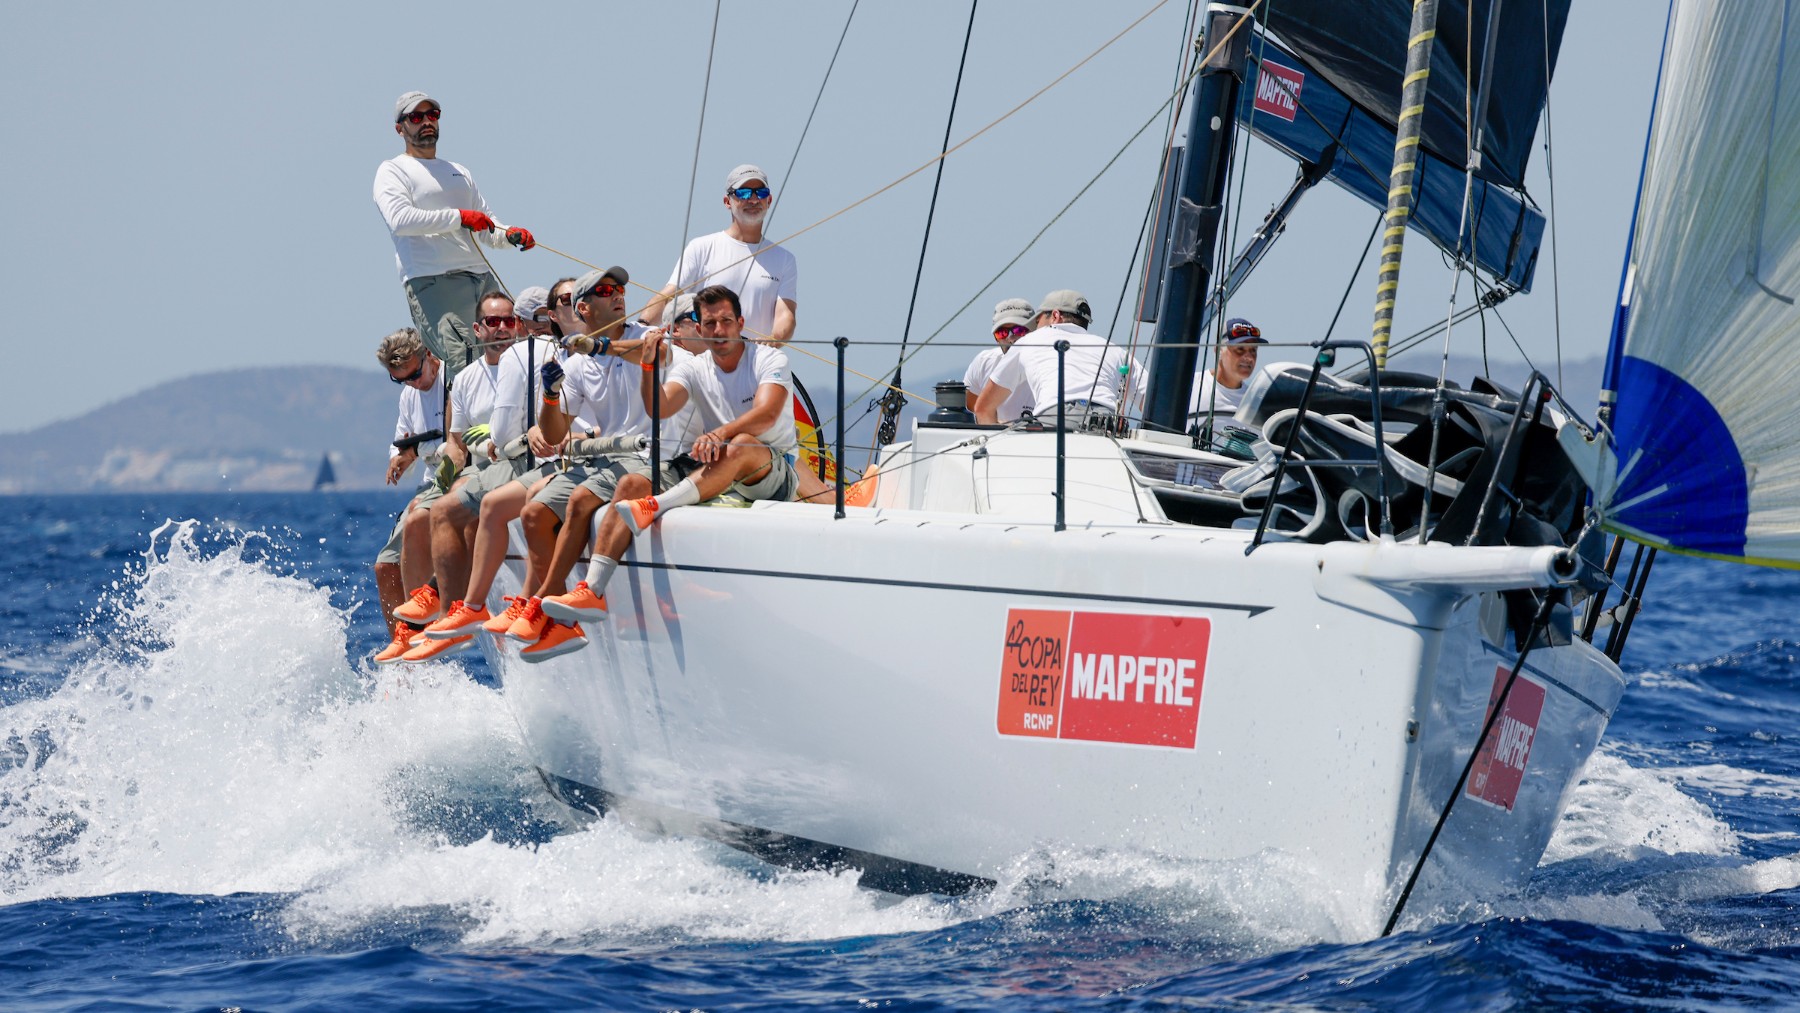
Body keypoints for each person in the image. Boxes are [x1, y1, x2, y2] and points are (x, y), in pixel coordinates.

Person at [373, 91, 535, 386]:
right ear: (400, 128)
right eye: (416, 117)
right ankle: (474, 429)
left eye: (432, 115)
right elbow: (400, 220)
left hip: (480, 277)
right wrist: (459, 217)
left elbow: (486, 224)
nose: (426, 122)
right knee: (465, 364)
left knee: (509, 353)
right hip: (435, 280)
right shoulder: (392, 170)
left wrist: (510, 235)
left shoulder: (458, 171)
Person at [613, 285, 800, 531]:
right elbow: (659, 408)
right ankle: (597, 570)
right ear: (700, 330)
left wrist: (720, 434)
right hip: (716, 462)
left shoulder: (770, 359)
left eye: (726, 321)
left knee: (740, 443)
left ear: (740, 323)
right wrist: (648, 367)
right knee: (630, 484)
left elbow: (767, 415)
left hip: (771, 471)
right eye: (710, 323)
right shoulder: (693, 367)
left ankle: (657, 505)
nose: (719, 330)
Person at [399, 292, 520, 664]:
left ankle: (453, 613)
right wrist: (440, 480)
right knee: (419, 514)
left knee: (448, 511)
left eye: (509, 321)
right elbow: (455, 444)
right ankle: (415, 626)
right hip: (478, 466)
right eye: (494, 322)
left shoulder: (526, 364)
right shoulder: (466, 379)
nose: (502, 328)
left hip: (512, 461)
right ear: (478, 330)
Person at [641, 165, 797, 344]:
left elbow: (786, 314)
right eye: (744, 193)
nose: (753, 199)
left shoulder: (784, 259)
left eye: (760, 193)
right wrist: (641, 326)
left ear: (769, 200)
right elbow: (670, 295)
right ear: (727, 202)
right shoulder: (701, 247)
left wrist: (772, 340)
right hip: (703, 363)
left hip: (756, 362)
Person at [369, 328, 447, 665]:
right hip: (429, 485)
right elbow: (401, 438)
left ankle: (430, 622)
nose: (412, 383)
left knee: (418, 518)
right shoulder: (409, 394)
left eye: (415, 374)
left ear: (429, 355)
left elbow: (458, 442)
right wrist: (395, 457)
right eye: (399, 380)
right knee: (384, 566)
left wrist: (414, 452)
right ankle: (404, 640)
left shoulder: (455, 380)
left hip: (456, 478)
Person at [973, 289, 1146, 428]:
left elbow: (983, 407)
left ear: (1055, 316)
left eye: (1038, 320)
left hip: (1057, 419)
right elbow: (1153, 401)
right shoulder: (1114, 349)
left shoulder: (1030, 341)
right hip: (1107, 424)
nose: (1035, 327)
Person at [963, 298, 1036, 421]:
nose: (1011, 338)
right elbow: (972, 408)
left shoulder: (1051, 364)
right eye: (1002, 333)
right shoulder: (983, 362)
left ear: (1035, 331)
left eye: (1019, 330)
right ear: (995, 338)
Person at [1188, 317, 1265, 418]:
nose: (1249, 358)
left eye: (1253, 350)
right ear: (1218, 351)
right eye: (1240, 349)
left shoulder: (1257, 404)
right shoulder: (1190, 386)